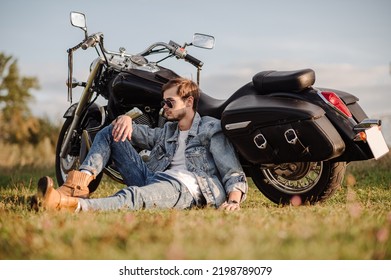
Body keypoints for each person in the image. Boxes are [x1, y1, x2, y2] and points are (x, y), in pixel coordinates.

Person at [36, 77, 248, 212]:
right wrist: (127, 119)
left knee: (133, 197)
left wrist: (234, 201)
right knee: (112, 130)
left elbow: (232, 171)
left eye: (170, 103)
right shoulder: (169, 130)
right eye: (163, 102)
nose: (164, 108)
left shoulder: (211, 129)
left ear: (189, 102)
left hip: (185, 187)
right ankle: (78, 185)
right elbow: (139, 133)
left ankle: (70, 205)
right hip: (152, 177)